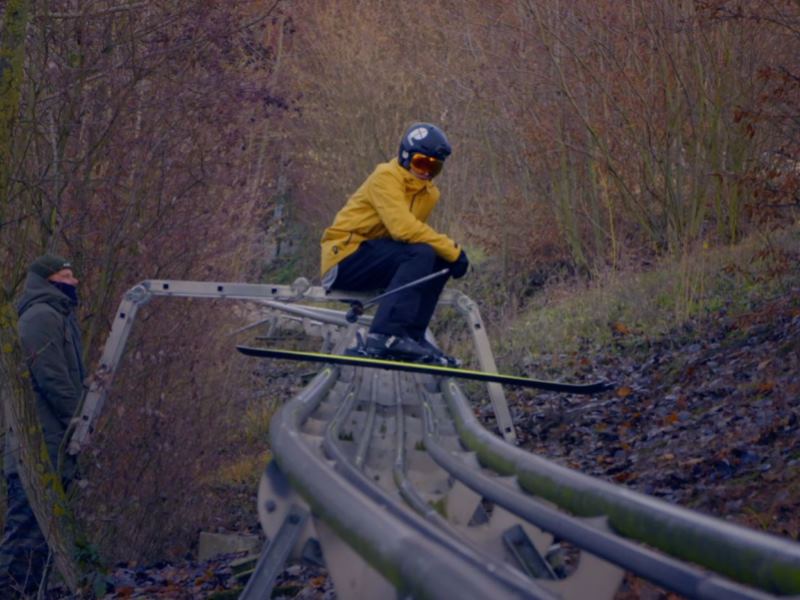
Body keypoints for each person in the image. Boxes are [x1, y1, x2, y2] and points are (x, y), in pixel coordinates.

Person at [320, 123, 469, 363]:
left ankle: (412, 337)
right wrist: (454, 250)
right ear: (405, 156)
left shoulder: (428, 194)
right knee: (422, 253)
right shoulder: (385, 177)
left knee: (437, 259)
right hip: (344, 259)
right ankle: (385, 336)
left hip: (374, 259)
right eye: (421, 163)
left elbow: (412, 239)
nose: (426, 172)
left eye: (434, 167)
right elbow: (404, 230)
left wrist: (448, 256)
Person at [0, 255, 84, 597]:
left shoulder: (58, 316)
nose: (74, 281)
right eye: (66, 275)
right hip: (37, 450)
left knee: (42, 536)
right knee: (25, 533)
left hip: (52, 447)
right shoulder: (40, 317)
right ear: (48, 281)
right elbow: (52, 379)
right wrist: (78, 421)